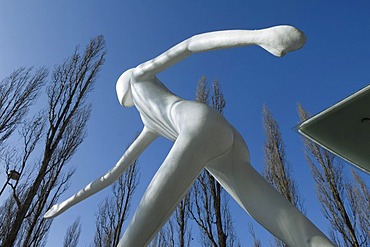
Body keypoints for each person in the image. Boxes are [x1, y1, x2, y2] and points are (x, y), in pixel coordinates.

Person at [45, 25, 334, 246]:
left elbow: (187, 46)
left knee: (137, 228)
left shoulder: (139, 77)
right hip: (221, 149)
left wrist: (259, 36)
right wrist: (65, 204)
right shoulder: (151, 123)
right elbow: (113, 174)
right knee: (295, 230)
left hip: (198, 129)